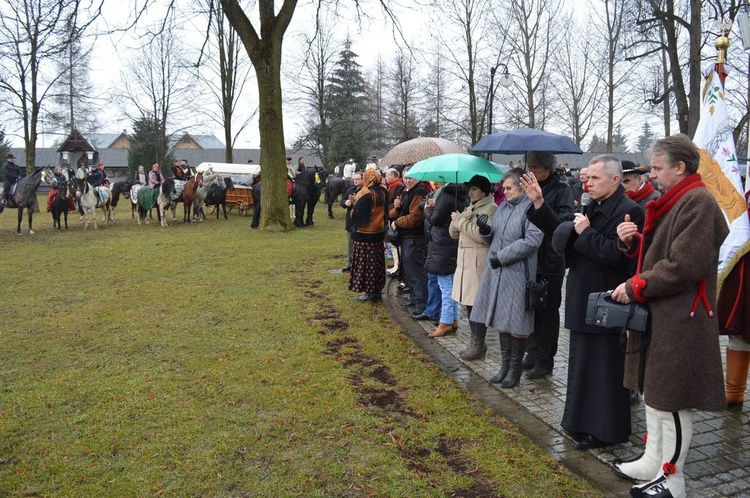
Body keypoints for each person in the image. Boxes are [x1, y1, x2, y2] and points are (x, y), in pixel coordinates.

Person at [609, 135, 728, 498]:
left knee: (672, 400)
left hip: (682, 318)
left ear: (681, 167)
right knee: (656, 394)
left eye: (659, 169)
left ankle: (672, 479)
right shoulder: (675, 199)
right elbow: (662, 254)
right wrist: (631, 243)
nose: (654, 176)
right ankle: (652, 460)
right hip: (664, 314)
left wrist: (635, 285)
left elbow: (683, 265)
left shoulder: (698, 202)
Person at [524, 154, 644, 450]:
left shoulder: (629, 212)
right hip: (582, 293)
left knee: (603, 368)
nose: (587, 183)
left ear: (615, 180)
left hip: (604, 298)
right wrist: (540, 203)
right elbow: (562, 230)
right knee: (582, 363)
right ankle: (579, 422)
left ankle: (605, 431)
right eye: (587, 178)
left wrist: (585, 232)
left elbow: (616, 257)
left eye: (594, 178)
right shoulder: (593, 205)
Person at [471, 169, 543, 388]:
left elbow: (533, 240)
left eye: (509, 188)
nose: (505, 191)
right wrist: (485, 230)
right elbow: (496, 236)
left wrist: (502, 257)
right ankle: (504, 367)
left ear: (522, 187)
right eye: (504, 188)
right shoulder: (503, 207)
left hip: (518, 273)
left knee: (516, 324)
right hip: (498, 272)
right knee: (502, 321)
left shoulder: (531, 208)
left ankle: (515, 370)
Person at [520, 151, 575, 379]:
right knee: (531, 309)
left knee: (548, 311)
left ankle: (546, 360)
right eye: (529, 167)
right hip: (530, 257)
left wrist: (540, 203)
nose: (531, 172)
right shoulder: (527, 188)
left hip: (551, 260)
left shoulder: (562, 189)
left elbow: (563, 223)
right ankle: (532, 352)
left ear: (548, 168)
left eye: (536, 167)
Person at [449, 175, 499, 360]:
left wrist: (461, 222)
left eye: (474, 189)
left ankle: (479, 343)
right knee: (469, 304)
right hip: (464, 261)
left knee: (476, 304)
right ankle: (474, 341)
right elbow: (453, 233)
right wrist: (460, 218)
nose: (470, 193)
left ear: (484, 191)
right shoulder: (471, 207)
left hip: (477, 262)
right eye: (469, 189)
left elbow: (482, 236)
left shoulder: (491, 208)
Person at [422, 182, 470, 337]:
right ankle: (453, 319)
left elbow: (436, 219)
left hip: (442, 244)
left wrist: (428, 210)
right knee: (452, 284)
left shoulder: (446, 195)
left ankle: (445, 322)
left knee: (445, 287)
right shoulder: (464, 197)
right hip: (455, 244)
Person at [390, 167, 429, 317]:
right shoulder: (407, 192)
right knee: (410, 272)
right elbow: (393, 213)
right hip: (407, 237)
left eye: (411, 178)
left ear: (418, 178)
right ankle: (414, 299)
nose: (407, 180)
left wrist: (397, 223)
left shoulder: (419, 193)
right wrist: (397, 207)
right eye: (405, 177)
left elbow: (415, 218)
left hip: (415, 238)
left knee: (416, 272)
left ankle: (421, 304)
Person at [349, 168, 388, 302]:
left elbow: (356, 215)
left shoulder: (365, 193)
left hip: (364, 234)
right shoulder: (383, 192)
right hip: (378, 232)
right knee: (377, 263)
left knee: (365, 265)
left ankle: (369, 293)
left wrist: (354, 204)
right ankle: (377, 290)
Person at [385, 168, 406, 277]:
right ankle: (396, 264)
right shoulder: (392, 186)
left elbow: (396, 203)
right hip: (391, 216)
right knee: (392, 243)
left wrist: (388, 209)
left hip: (395, 217)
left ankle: (398, 266)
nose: (385, 177)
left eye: (387, 175)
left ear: (393, 176)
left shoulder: (398, 186)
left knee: (395, 242)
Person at [340, 172, 363, 272]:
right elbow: (342, 201)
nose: (355, 181)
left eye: (357, 179)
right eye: (354, 179)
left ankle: (360, 263)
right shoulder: (350, 190)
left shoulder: (365, 191)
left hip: (361, 220)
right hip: (350, 220)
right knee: (350, 242)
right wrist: (346, 202)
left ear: (363, 180)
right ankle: (350, 262)